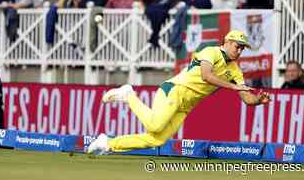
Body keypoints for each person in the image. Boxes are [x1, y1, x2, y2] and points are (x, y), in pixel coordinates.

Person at [87, 30, 270, 154]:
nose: (240, 51)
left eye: (242, 48)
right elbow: (206, 76)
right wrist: (232, 86)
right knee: (155, 126)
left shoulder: (236, 70)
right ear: (227, 42)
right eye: (237, 46)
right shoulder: (211, 51)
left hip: (185, 106)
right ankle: (128, 95)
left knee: (156, 140)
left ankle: (107, 143)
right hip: (175, 90)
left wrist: (257, 100)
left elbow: (246, 98)